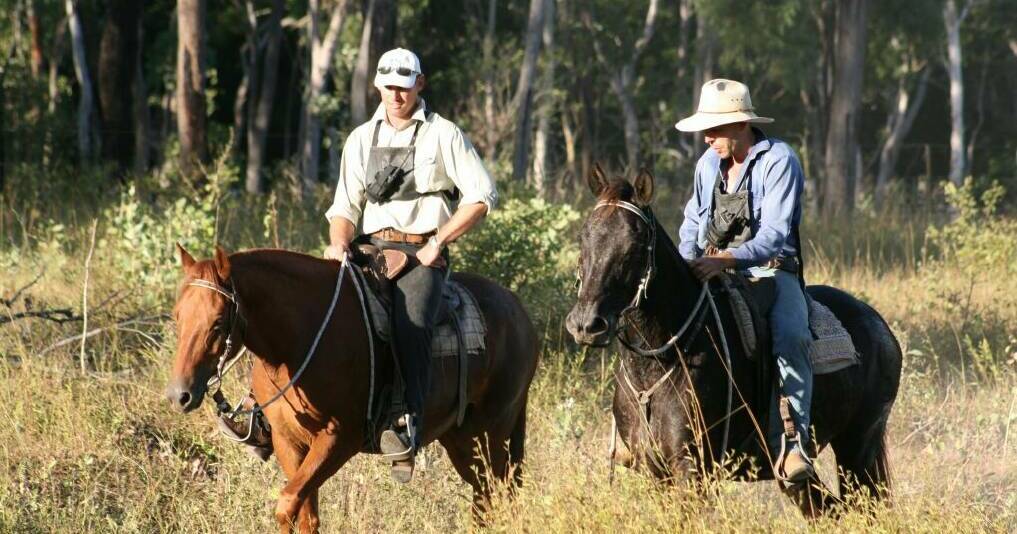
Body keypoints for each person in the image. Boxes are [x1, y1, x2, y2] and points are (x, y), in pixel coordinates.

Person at [323, 48, 498, 482]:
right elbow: (344, 207)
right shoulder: (360, 138)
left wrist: (437, 243)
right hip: (369, 250)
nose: (396, 94)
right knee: (316, 308)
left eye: (405, 85)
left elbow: (481, 196)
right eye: (389, 86)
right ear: (378, 86)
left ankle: (405, 422)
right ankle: (272, 414)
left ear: (420, 84)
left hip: (422, 253)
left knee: (412, 321)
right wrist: (339, 244)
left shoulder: (445, 134)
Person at [674, 79, 814, 483]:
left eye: (715, 130)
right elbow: (692, 221)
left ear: (740, 126)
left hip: (772, 272)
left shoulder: (779, 160)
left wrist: (727, 261)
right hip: (710, 267)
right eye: (706, 129)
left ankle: (793, 444)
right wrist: (689, 263)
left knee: (792, 337)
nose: (707, 138)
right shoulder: (706, 165)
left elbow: (773, 235)